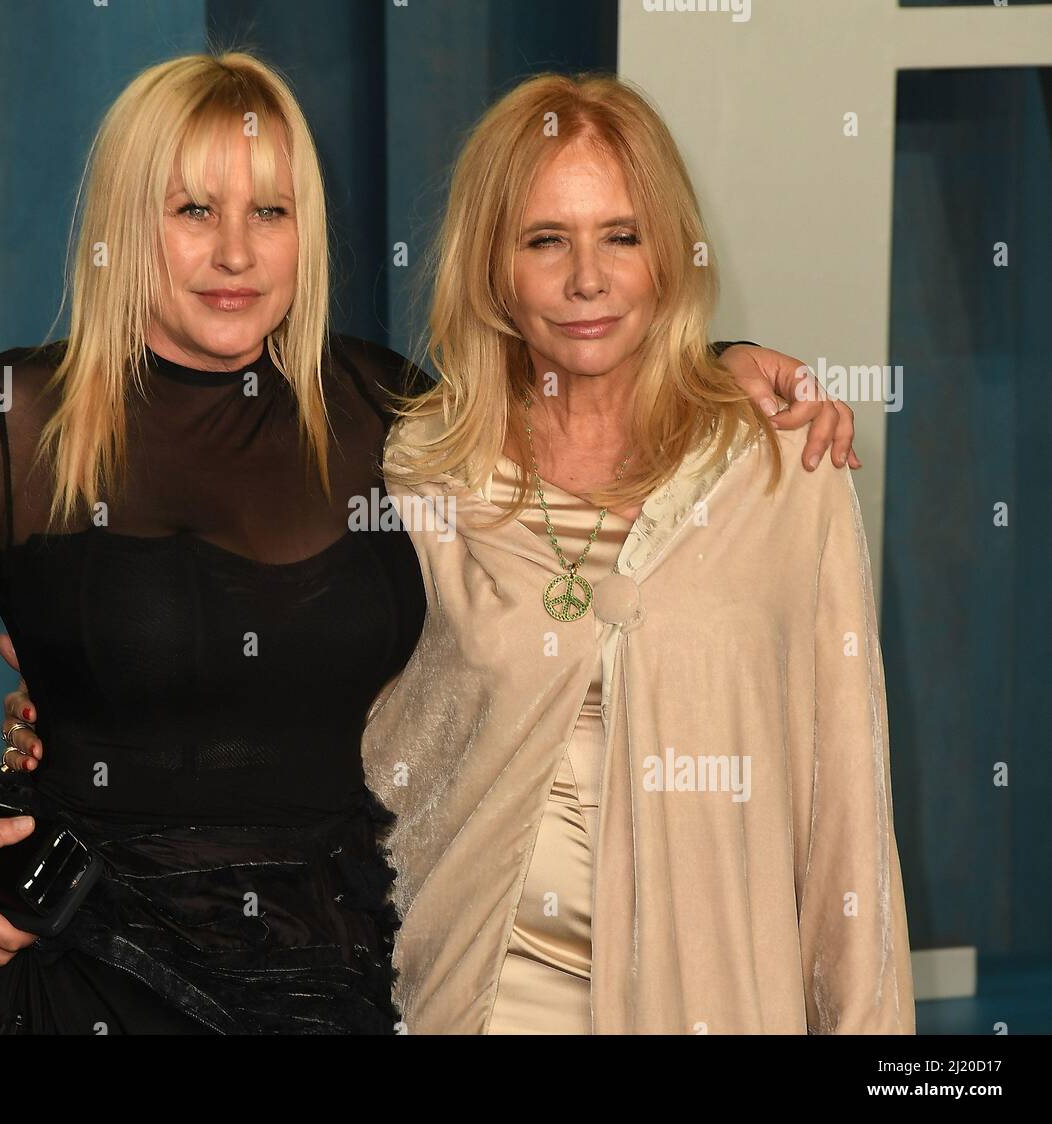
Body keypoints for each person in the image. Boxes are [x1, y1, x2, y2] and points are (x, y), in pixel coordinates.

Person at [0, 51, 430, 1035]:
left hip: (336, 967)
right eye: (194, 211)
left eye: (269, 211)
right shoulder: (14, 422)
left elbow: (561, 506)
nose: (236, 253)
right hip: (81, 970)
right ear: (125, 226)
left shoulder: (386, 407)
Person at [360, 72, 914, 1034]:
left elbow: (848, 816)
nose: (588, 279)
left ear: (671, 253)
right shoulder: (421, 469)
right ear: (491, 266)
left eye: (622, 235)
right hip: (480, 1003)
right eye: (545, 240)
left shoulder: (781, 468)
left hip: (717, 1001)